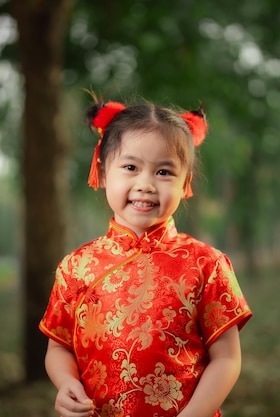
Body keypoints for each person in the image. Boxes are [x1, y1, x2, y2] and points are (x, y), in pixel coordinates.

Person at [39, 96, 252, 417]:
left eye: (164, 172)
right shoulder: (75, 267)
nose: (146, 184)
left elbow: (227, 358)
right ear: (103, 172)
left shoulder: (206, 264)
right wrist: (66, 382)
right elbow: (59, 346)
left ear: (186, 184)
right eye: (130, 167)